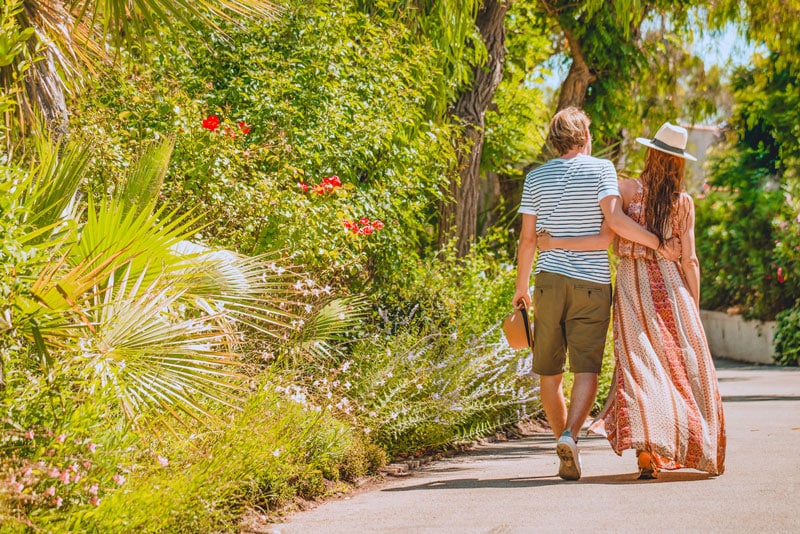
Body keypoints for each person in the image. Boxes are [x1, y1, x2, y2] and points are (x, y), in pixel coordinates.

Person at [537, 122, 726, 478]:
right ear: (679, 162)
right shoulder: (684, 203)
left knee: (639, 366)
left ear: (650, 153)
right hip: (672, 287)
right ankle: (665, 446)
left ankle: (647, 450)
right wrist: (693, 308)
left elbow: (610, 229)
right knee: (674, 367)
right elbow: (690, 260)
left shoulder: (624, 189)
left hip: (632, 284)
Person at [512, 107, 676, 481]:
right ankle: (569, 436)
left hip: (549, 281)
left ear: (554, 140)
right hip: (592, 283)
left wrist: (521, 287)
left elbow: (527, 239)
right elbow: (613, 226)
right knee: (586, 367)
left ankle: (564, 443)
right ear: (585, 136)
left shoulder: (535, 177)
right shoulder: (602, 169)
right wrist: (657, 243)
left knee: (549, 371)